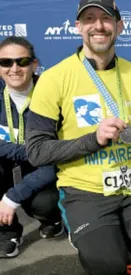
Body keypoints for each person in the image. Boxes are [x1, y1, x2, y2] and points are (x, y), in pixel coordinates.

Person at [24, 0, 131, 274]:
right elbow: (37, 151)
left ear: (119, 26)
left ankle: (120, 233)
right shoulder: (53, 79)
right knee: (110, 267)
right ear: (78, 27)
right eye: (89, 18)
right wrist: (92, 139)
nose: (98, 25)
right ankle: (94, 236)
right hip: (84, 193)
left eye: (106, 18)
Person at [0, 36, 64, 258]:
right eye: (6, 62)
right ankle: (6, 232)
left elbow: (54, 156)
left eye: (22, 62)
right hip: (8, 163)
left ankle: (52, 219)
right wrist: (31, 149)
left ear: (34, 64)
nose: (14, 69)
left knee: (43, 202)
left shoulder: (52, 95)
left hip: (43, 168)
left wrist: (12, 197)